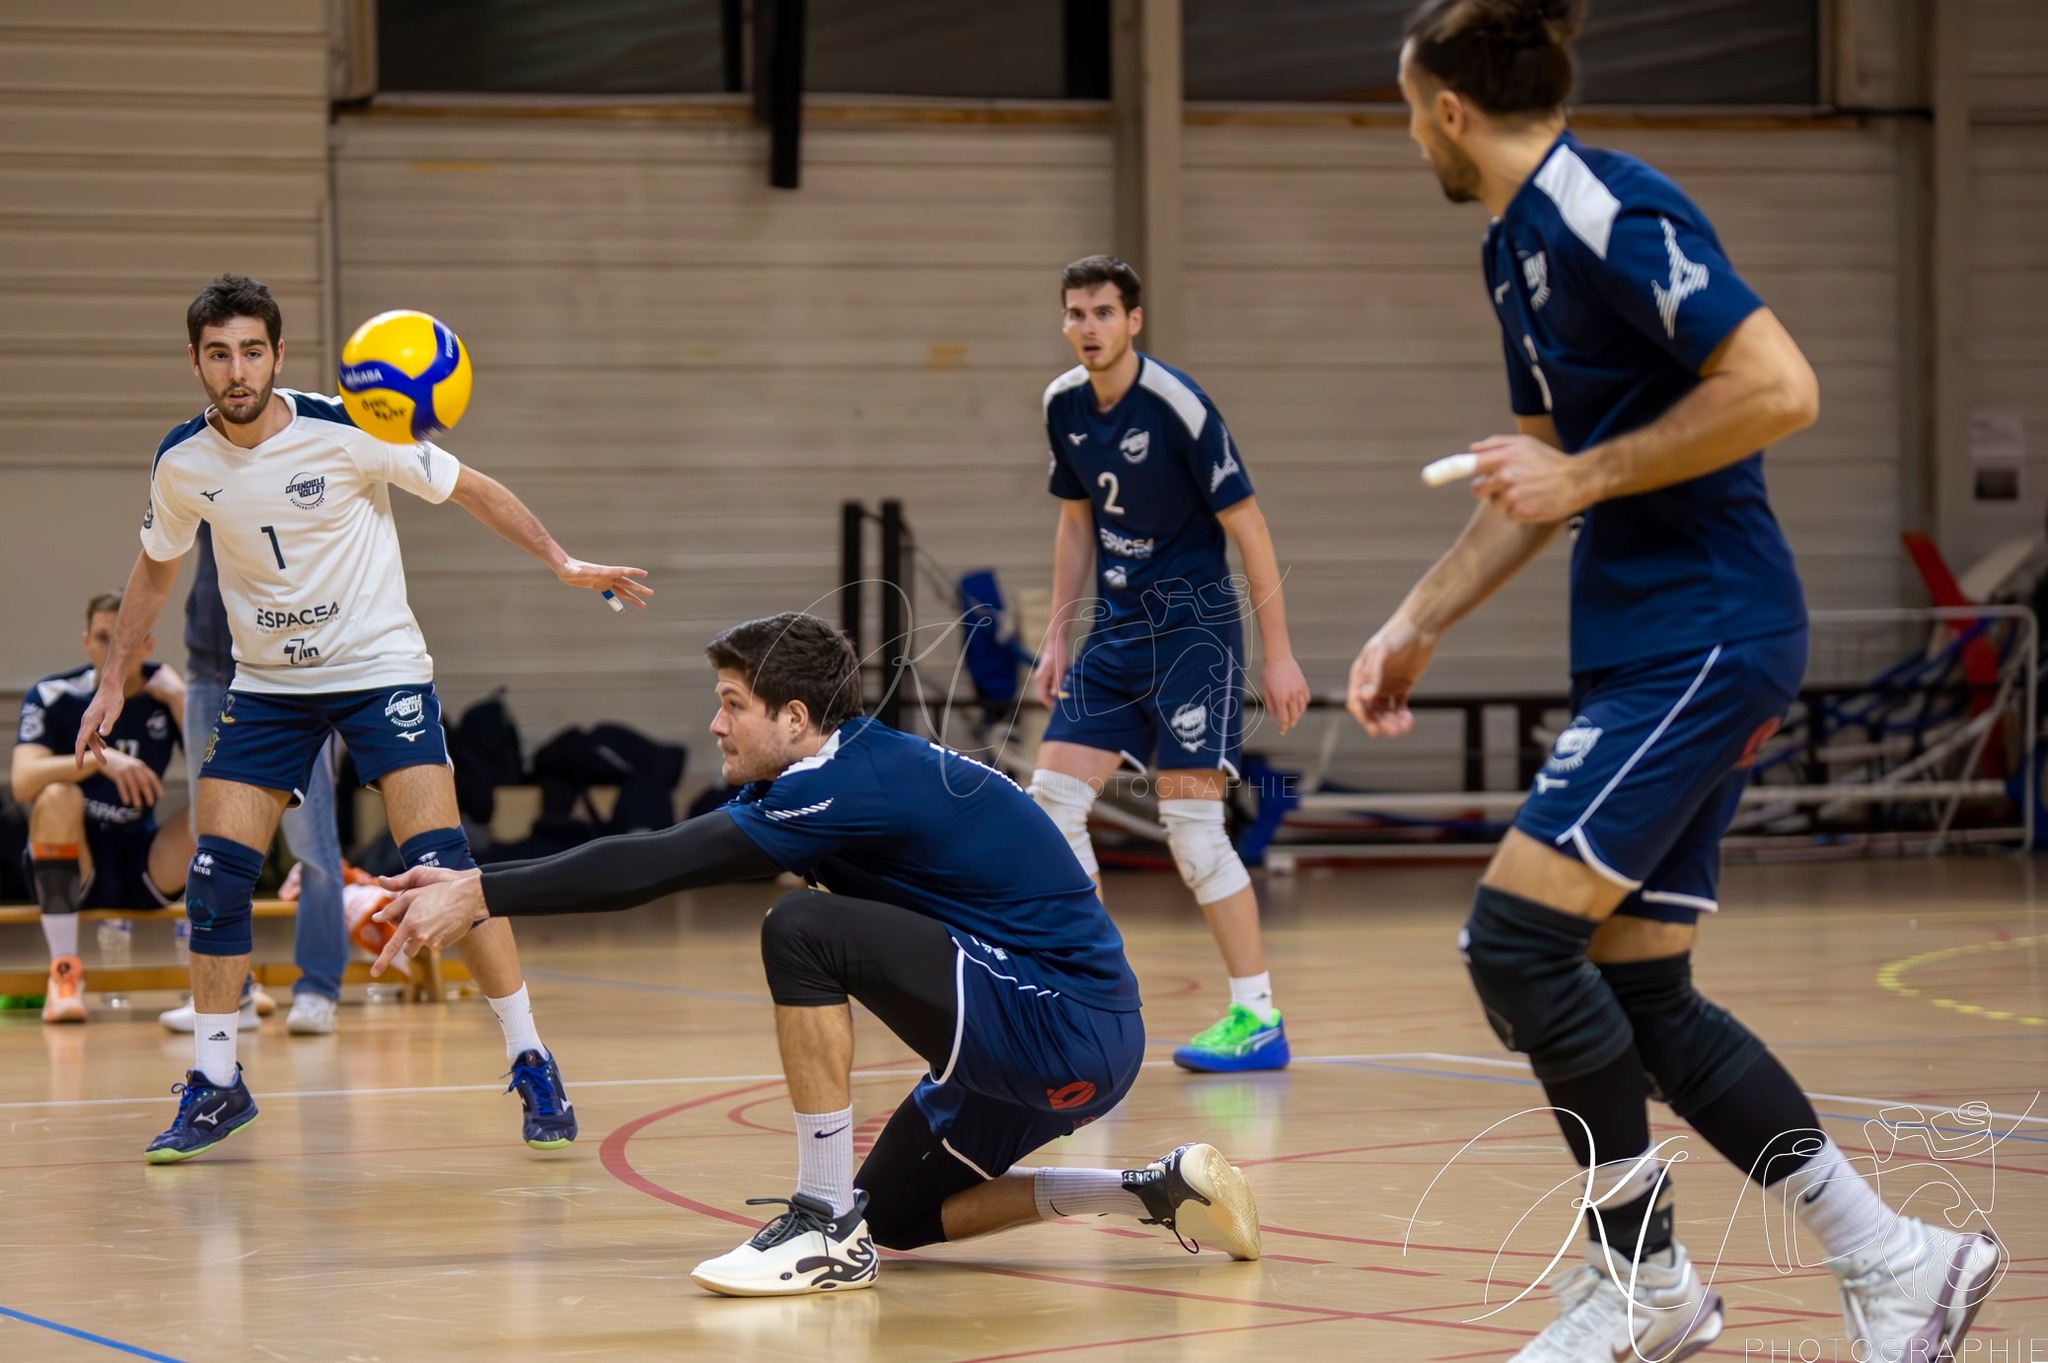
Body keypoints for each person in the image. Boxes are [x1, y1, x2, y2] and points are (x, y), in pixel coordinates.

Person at [1346, 3, 2001, 1358]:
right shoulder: (1511, 245)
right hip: (1651, 639)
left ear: (1448, 110)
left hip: (1711, 622)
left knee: (1519, 941)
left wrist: (1584, 475)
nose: (1411, 133)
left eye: (1410, 110)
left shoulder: (1599, 204)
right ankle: (1894, 1256)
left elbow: (1781, 382)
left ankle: (1645, 1281)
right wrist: (1416, 620)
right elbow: (1534, 475)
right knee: (1642, 990)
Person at [371, 612, 1262, 1297]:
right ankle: (1150, 1190)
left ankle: (822, 1223)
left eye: (732, 704)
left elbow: (655, 863)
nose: (714, 724)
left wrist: (479, 889)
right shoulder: (843, 767)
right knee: (906, 1217)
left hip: (1059, 1022)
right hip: (1060, 1030)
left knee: (801, 932)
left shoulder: (840, 783)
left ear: (794, 718)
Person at [76, 273, 651, 1164]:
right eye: (219, 353)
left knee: (443, 870)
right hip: (267, 685)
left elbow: (471, 486)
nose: (238, 370)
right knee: (218, 876)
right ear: (195, 360)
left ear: (278, 354)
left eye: (253, 351)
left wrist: (564, 560)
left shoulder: (352, 426)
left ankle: (531, 1053)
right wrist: (117, 675)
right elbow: (155, 568)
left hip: (379, 672)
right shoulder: (182, 462)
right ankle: (218, 1082)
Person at [1027, 255, 1311, 1073]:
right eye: (1076, 313)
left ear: (1134, 320)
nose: (1089, 327)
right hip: (1113, 637)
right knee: (1050, 803)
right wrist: (1055, 635)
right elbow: (1075, 524)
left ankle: (1257, 1017)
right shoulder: (1061, 405)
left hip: (1192, 638)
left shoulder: (1178, 404)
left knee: (1191, 831)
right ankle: (1088, 1001)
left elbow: (1249, 527)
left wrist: (1278, 656)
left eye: (1104, 312)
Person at [157, 523, 344, 1036]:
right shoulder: (203, 454)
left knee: (312, 844)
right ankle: (229, 994)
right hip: (208, 672)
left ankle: (318, 988)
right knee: (211, 842)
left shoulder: (297, 463)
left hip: (288, 676)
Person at [11, 593, 193, 1023]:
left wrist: (182, 698)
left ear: (146, 645)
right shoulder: (54, 694)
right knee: (58, 796)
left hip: (143, 856)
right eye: (101, 638)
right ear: (85, 642)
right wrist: (100, 760)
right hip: (74, 862)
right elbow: (21, 782)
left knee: (219, 810)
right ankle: (64, 976)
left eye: (124, 639)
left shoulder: (163, 696)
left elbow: (220, 771)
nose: (112, 649)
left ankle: (231, 978)